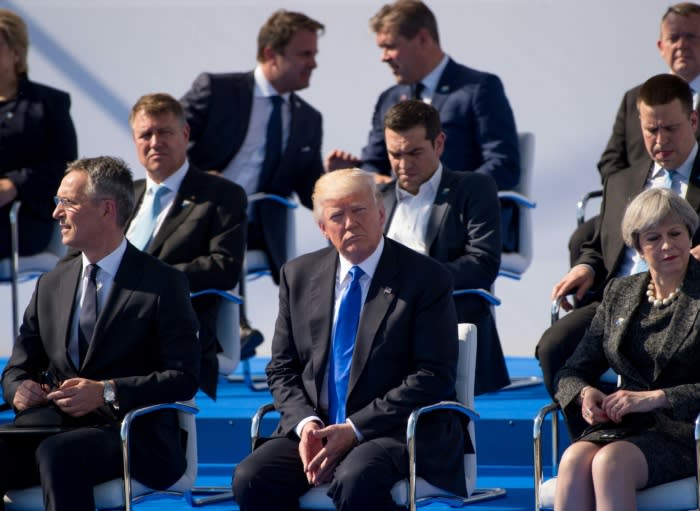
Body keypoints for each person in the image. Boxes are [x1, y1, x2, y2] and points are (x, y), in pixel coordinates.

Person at [537, 74, 700, 433]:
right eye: (650, 130)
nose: (659, 141)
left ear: (693, 121)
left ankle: (663, 440)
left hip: (693, 309)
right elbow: (601, 245)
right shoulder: (622, 181)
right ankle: (596, 433)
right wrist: (586, 265)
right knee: (555, 347)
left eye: (670, 129)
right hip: (623, 303)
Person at [231, 168, 467, 510]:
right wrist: (305, 425)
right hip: (319, 426)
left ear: (381, 213)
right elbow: (282, 368)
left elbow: (434, 375)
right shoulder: (298, 275)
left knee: (357, 479)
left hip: (392, 430)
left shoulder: (426, 278)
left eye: (360, 210)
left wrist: (354, 429)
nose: (350, 223)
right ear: (323, 228)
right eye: (337, 216)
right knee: (251, 477)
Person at [0, 156, 200, 510]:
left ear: (107, 209)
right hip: (52, 425)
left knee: (59, 454)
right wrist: (19, 390)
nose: (56, 214)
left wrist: (107, 392)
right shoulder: (52, 283)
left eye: (68, 203)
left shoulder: (163, 282)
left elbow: (183, 378)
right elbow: (17, 368)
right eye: (56, 202)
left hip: (135, 434)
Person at [553, 188, 700, 510]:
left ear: (690, 234)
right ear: (638, 248)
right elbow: (571, 370)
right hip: (630, 428)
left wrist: (656, 398)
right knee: (574, 458)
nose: (667, 245)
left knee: (610, 463)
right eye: (653, 238)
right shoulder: (620, 291)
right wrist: (583, 393)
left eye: (675, 233)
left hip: (698, 431)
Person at [570, 2, 700, 265]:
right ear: (661, 47)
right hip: (641, 203)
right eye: (674, 38)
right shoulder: (635, 99)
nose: (682, 45)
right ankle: (601, 301)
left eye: (691, 37)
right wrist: (648, 191)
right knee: (583, 240)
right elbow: (611, 162)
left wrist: (699, 184)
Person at [180, 9, 325, 351]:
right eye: (305, 54)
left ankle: (231, 334)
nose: (314, 63)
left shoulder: (308, 118)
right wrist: (198, 178)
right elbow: (166, 137)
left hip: (260, 225)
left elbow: (311, 190)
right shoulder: (217, 90)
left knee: (234, 226)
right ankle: (230, 331)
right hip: (198, 214)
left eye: (314, 55)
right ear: (271, 54)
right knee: (222, 221)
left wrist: (336, 180)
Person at [379, 100, 507, 394]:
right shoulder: (377, 197)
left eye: (414, 152)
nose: (403, 164)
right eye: (394, 154)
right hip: (380, 327)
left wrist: (412, 281)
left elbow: (482, 264)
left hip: (440, 319)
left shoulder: (473, 188)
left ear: (439, 143)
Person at [326, 0, 520, 191]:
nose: (383, 57)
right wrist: (359, 175)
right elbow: (374, 164)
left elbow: (503, 165)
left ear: (423, 39)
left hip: (458, 216)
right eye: (381, 48)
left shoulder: (478, 89)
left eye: (391, 46)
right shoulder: (389, 100)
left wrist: (449, 194)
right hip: (400, 217)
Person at [127, 93, 247, 400]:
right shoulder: (122, 196)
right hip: (107, 323)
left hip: (173, 325)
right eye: (145, 134)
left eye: (164, 132)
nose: (155, 142)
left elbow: (224, 267)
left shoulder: (221, 195)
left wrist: (145, 279)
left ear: (185, 134)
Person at [0, 9, 77, 262]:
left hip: (23, 216)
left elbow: (65, 166)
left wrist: (14, 185)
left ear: (16, 53)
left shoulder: (49, 104)